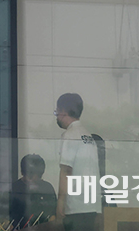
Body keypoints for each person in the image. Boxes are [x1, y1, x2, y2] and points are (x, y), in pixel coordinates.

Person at [55, 93, 101, 231]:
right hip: (91, 206)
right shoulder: (87, 135)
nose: (56, 116)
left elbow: (66, 171)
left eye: (56, 112)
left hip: (75, 207)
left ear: (63, 111)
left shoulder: (70, 135)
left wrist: (60, 203)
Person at [9, 154, 57, 230]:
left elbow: (53, 215)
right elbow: (6, 217)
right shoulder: (14, 188)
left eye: (38, 175)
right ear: (22, 172)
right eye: (30, 175)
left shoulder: (47, 188)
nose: (34, 179)